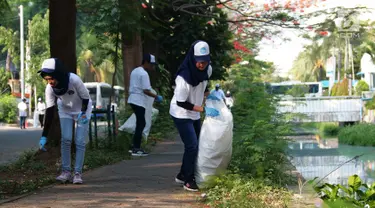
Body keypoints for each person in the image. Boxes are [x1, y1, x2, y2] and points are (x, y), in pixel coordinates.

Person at [170, 40, 220, 192]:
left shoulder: (208, 69)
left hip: (194, 113)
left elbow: (204, 84)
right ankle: (189, 180)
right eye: (199, 62)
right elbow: (180, 101)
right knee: (192, 146)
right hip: (181, 112)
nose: (201, 65)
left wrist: (209, 96)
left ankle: (182, 174)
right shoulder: (183, 77)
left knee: (197, 144)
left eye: (204, 62)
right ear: (193, 58)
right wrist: (201, 109)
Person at [37, 58, 92, 184]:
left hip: (83, 109)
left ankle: (77, 173)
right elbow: (50, 112)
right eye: (46, 79)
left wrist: (83, 114)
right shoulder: (49, 89)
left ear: (58, 75)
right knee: (66, 139)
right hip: (65, 110)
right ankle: (66, 172)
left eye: (51, 78)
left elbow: (86, 98)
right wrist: (44, 136)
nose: (49, 82)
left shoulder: (74, 80)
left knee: (79, 141)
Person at [128, 54, 163, 157]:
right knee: (141, 123)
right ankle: (136, 149)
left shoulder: (135, 71)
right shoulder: (144, 74)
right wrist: (156, 97)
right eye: (151, 64)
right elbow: (146, 90)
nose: (152, 67)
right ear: (146, 62)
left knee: (140, 123)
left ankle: (134, 146)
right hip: (139, 101)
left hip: (132, 99)